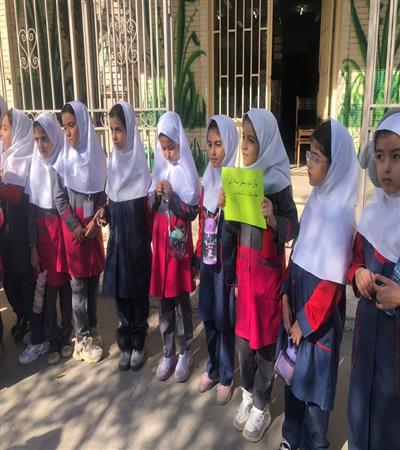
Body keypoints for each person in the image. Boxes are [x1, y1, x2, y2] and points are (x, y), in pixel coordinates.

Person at [278, 119, 359, 450]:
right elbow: (297, 253)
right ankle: (290, 435)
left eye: (315, 157)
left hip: (318, 324)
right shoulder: (314, 203)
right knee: (292, 376)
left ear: (335, 165)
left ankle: (314, 443)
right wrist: (285, 296)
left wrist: (304, 322)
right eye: (308, 155)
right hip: (296, 308)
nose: (308, 163)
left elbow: (331, 285)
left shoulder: (342, 216)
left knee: (314, 389)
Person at [224, 109, 299, 442]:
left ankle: (261, 405)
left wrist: (274, 219)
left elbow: (293, 227)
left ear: (266, 143)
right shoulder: (241, 179)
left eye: (252, 140)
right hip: (246, 278)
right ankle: (246, 394)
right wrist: (226, 209)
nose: (245, 146)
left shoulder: (279, 184)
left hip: (267, 280)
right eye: (244, 138)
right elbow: (233, 231)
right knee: (244, 344)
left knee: (265, 346)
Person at [347, 108, 400, 450]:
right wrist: (359, 273)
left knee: (387, 415)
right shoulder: (371, 212)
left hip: (395, 350)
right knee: (360, 402)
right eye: (380, 156)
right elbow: (354, 259)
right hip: (366, 334)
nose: (387, 167)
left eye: (397, 156)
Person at [97, 101, 152, 371]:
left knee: (138, 296)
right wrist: (105, 212)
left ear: (130, 129)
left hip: (137, 247)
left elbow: (148, 210)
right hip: (118, 245)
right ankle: (125, 342)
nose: (115, 136)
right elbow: (113, 200)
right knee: (121, 295)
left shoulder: (141, 168)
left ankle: (138, 341)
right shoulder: (115, 164)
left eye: (119, 130)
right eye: (112, 130)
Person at [148, 111, 200, 382]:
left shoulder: (187, 171)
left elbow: (192, 211)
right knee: (164, 301)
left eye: (172, 147)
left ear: (180, 143)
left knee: (181, 299)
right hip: (161, 243)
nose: (168, 153)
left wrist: (173, 196)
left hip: (178, 246)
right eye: (164, 148)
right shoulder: (159, 168)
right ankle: (168, 352)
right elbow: (149, 206)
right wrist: (156, 196)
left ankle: (185, 351)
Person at [54, 101, 107, 364]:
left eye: (72, 125)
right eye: (64, 127)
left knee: (93, 281)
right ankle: (81, 337)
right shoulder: (63, 161)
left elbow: (104, 197)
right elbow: (59, 199)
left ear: (83, 125)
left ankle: (92, 328)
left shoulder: (97, 157)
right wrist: (75, 226)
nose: (68, 132)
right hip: (75, 234)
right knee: (78, 287)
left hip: (92, 233)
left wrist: (97, 221)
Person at [195, 115, 238, 405]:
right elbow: (202, 222)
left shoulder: (236, 183)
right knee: (208, 315)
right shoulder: (207, 180)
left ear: (229, 145)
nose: (213, 151)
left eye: (219, 144)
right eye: (209, 144)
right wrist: (198, 258)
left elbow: (238, 231)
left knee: (224, 320)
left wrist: (227, 206)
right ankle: (212, 367)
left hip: (226, 265)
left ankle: (226, 374)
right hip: (208, 261)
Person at [28, 112, 72, 365]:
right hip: (45, 241)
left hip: (62, 236)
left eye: (44, 138)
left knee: (65, 287)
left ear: (54, 136)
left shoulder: (63, 163)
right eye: (36, 139)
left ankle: (66, 334)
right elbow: (31, 215)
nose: (41, 144)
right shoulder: (35, 167)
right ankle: (52, 335)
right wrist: (33, 248)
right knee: (48, 290)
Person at [0, 109, 41, 354]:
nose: (1, 134)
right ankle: (22, 317)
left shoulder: (26, 158)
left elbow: (17, 196)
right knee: (11, 281)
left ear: (17, 132)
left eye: (5, 129)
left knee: (26, 281)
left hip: (23, 235)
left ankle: (36, 330)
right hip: (8, 234)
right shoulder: (7, 157)